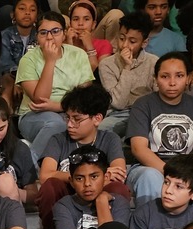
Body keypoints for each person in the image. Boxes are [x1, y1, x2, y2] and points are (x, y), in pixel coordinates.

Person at [37, 82, 130, 229]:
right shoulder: (58, 140)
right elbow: (45, 175)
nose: (70, 124)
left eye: (77, 119)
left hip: (99, 192)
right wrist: (82, 179)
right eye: (68, 117)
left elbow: (118, 173)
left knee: (119, 189)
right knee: (50, 186)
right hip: (68, 195)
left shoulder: (109, 139)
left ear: (97, 119)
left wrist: (91, 183)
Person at [126, 51, 193, 212]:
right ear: (155, 79)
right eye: (165, 76)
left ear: (187, 78)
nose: (172, 82)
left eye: (179, 76)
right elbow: (138, 148)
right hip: (149, 167)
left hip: (185, 169)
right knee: (151, 177)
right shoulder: (143, 104)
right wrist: (172, 175)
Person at [14, 11, 95, 163]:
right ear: (36, 37)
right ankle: (29, 168)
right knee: (56, 123)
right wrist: (50, 61)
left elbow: (84, 98)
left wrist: (58, 106)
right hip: (33, 115)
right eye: (43, 32)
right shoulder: (28, 60)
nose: (50, 37)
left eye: (55, 31)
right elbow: (40, 99)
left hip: (70, 112)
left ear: (64, 34)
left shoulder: (78, 55)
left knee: (93, 123)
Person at [52, 146, 132, 229]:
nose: (87, 184)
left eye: (94, 177)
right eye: (79, 178)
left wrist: (102, 202)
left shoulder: (118, 203)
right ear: (71, 182)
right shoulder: (64, 205)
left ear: (106, 177)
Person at [98, 12, 158, 136]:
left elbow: (159, 96)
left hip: (147, 112)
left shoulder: (154, 62)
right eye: (121, 38)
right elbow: (118, 103)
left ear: (144, 42)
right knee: (101, 130)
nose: (125, 45)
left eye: (132, 41)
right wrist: (127, 68)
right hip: (119, 114)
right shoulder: (106, 64)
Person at [68, 0, 113, 70]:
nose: (80, 23)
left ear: (93, 24)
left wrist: (90, 48)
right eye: (76, 19)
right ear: (70, 23)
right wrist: (70, 46)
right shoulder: (64, 44)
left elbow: (99, 75)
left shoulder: (104, 45)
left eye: (86, 19)